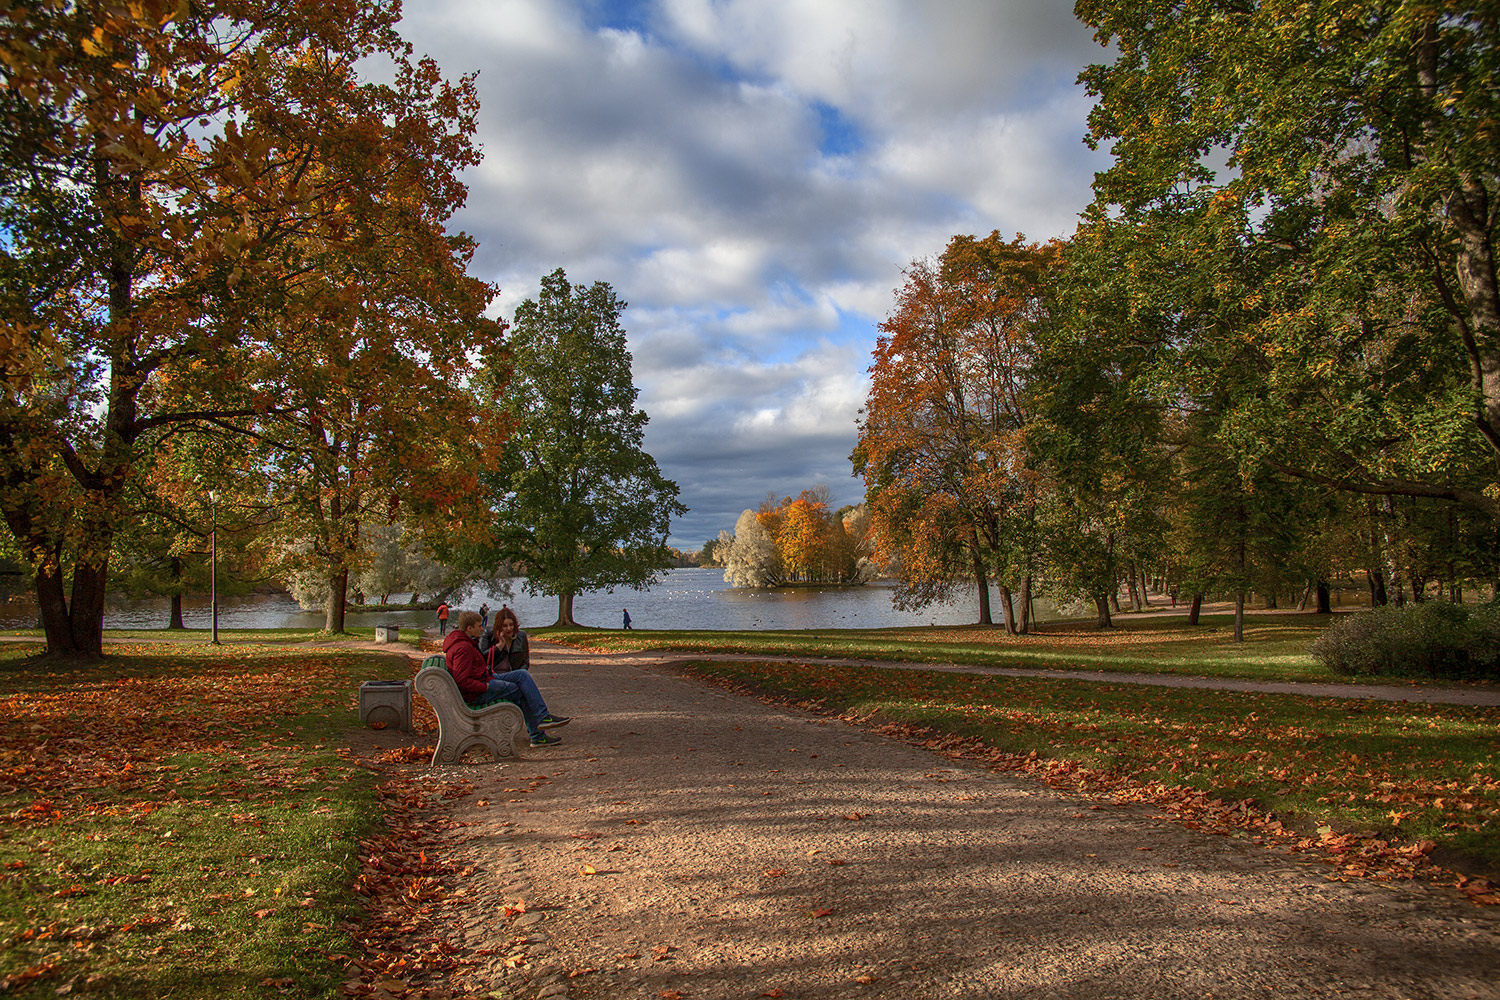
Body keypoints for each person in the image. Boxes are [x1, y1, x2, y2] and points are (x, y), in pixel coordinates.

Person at [443, 611, 570, 747]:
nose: (482, 628)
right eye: (479, 626)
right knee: (519, 690)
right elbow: (462, 681)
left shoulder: (466, 642)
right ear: (469, 628)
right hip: (477, 692)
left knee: (522, 674)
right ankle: (538, 735)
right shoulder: (463, 648)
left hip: (483, 679)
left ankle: (543, 717)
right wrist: (485, 686)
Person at [479, 606, 529, 671]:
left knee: (524, 674)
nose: (509, 628)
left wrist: (518, 674)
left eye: (511, 625)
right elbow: (482, 659)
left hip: (515, 674)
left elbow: (526, 661)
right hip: (494, 675)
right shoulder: (489, 635)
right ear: (499, 626)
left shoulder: (521, 636)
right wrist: (499, 646)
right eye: (505, 626)